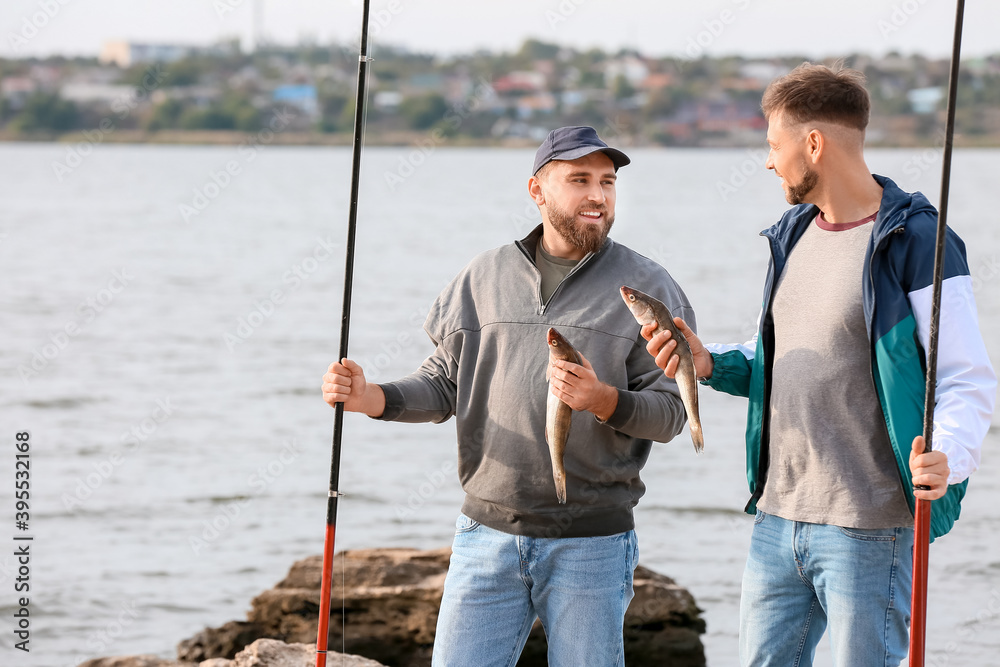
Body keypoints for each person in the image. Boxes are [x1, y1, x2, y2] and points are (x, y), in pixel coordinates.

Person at [643, 64, 996, 666]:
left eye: (773, 143)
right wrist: (710, 363)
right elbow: (783, 354)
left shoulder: (918, 241)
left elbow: (964, 379)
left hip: (871, 526)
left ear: (814, 143)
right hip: (777, 518)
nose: (767, 161)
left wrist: (950, 454)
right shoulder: (792, 233)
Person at [321, 126, 697, 667]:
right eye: (579, 180)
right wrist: (371, 397)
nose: (598, 195)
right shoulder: (483, 275)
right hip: (485, 537)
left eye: (608, 181)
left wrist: (602, 400)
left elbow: (671, 414)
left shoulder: (648, 287)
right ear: (537, 190)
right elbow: (444, 384)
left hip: (592, 544)